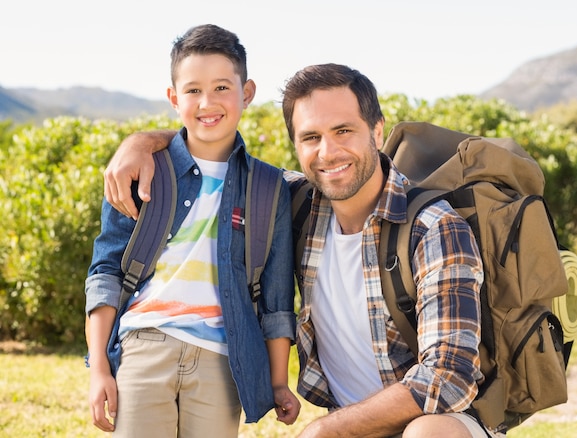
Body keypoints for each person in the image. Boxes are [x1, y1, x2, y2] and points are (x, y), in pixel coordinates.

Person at [104, 64, 499, 438]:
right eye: (311, 137)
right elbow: (212, 149)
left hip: (434, 423)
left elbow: (449, 377)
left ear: (377, 132)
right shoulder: (291, 205)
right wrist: (141, 143)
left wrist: (326, 430)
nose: (328, 152)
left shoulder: (433, 228)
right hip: (350, 428)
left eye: (344, 130)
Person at [85, 24, 300, 437]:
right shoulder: (140, 172)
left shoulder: (269, 188)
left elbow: (276, 299)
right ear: (173, 98)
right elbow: (106, 273)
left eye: (222, 87)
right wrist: (99, 369)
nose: (207, 102)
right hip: (144, 345)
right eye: (193, 90)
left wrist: (276, 381)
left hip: (223, 358)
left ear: (247, 92)